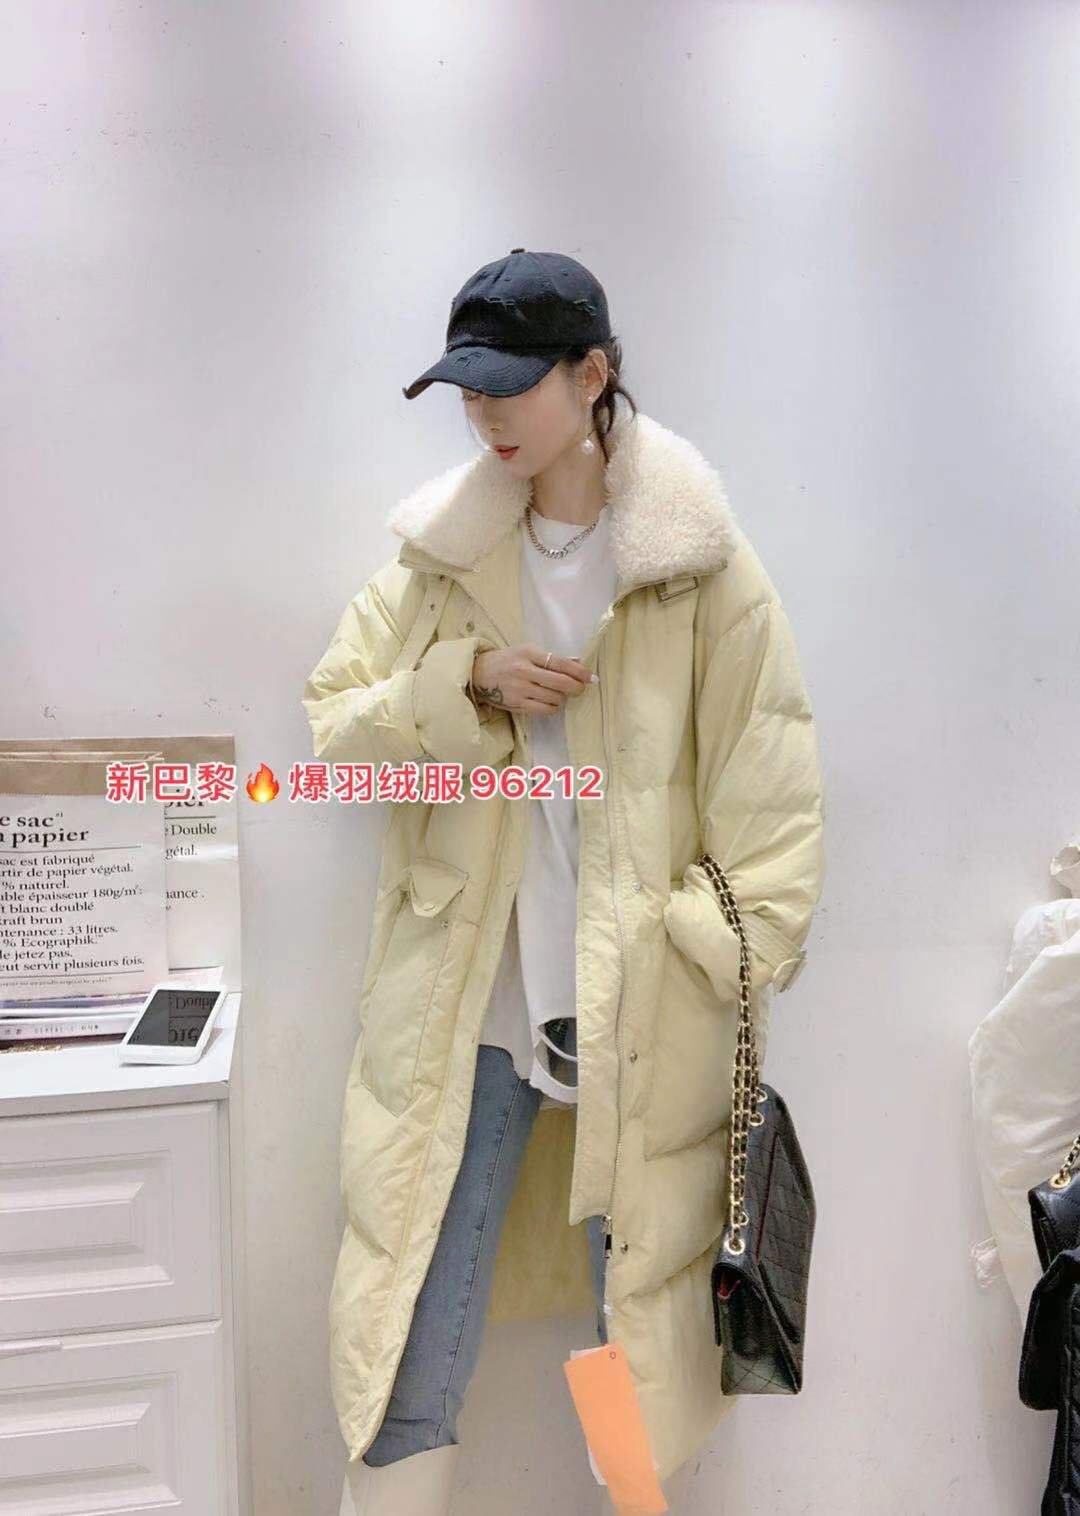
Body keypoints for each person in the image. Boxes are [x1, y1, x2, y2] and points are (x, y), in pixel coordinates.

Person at [303, 248, 826, 1515]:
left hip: (635, 1007)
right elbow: (335, 736)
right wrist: (466, 684)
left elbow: (772, 803)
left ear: (592, 375)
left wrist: (695, 952)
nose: (483, 412)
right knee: (414, 1309)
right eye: (467, 390)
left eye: (510, 383)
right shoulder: (442, 560)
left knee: (632, 1322)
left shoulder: (698, 566)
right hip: (469, 1001)